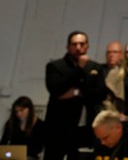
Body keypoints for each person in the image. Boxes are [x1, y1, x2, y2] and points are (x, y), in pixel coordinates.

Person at [44, 31, 107, 160]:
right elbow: (56, 89)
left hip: (84, 127)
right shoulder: (55, 66)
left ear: (87, 46)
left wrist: (77, 92)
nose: (78, 47)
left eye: (82, 44)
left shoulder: (95, 67)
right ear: (68, 47)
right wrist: (78, 68)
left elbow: (101, 93)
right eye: (74, 44)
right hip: (58, 126)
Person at [0, 96, 47, 160]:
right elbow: (3, 142)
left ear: (29, 109)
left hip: (30, 156)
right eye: (16, 111)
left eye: (21, 110)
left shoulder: (40, 125)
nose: (19, 114)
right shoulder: (12, 122)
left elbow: (39, 147)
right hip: (13, 155)